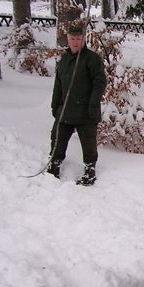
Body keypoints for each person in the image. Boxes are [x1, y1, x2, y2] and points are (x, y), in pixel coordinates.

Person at [47, 23, 107, 186]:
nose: (75, 41)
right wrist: (55, 105)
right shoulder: (64, 60)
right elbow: (58, 84)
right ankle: (54, 165)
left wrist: (93, 104)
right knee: (57, 139)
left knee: (88, 143)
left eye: (78, 39)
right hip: (65, 109)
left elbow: (99, 82)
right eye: (72, 38)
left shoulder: (92, 59)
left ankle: (89, 171)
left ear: (84, 39)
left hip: (86, 110)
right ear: (67, 39)